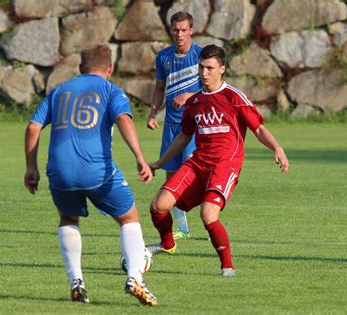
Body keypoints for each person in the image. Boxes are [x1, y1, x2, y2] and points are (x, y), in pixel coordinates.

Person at [24, 44, 158, 306]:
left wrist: (31, 167)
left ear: (80, 67)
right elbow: (123, 120)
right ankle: (135, 278)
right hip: (97, 171)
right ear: (109, 68)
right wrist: (140, 158)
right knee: (129, 217)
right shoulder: (111, 90)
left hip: (59, 172)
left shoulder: (59, 91)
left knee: (68, 218)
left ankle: (77, 281)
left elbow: (33, 127)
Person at [147, 45, 289, 276]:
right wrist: (160, 162)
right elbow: (184, 136)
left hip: (225, 164)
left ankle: (227, 267)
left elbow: (258, 128)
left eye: (210, 68)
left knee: (208, 214)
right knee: (158, 206)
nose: (204, 73)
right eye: (201, 67)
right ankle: (167, 244)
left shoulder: (233, 97)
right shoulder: (194, 102)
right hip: (198, 163)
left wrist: (277, 148)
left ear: (221, 69)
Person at [147, 11, 203, 240]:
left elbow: (211, 90)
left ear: (191, 30)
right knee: (171, 180)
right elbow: (159, 88)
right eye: (175, 30)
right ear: (171, 31)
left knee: (190, 176)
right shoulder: (163, 57)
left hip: (193, 126)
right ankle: (183, 228)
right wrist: (152, 114)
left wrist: (189, 95)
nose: (179, 34)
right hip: (170, 126)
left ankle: (210, 218)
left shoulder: (201, 55)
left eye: (183, 30)